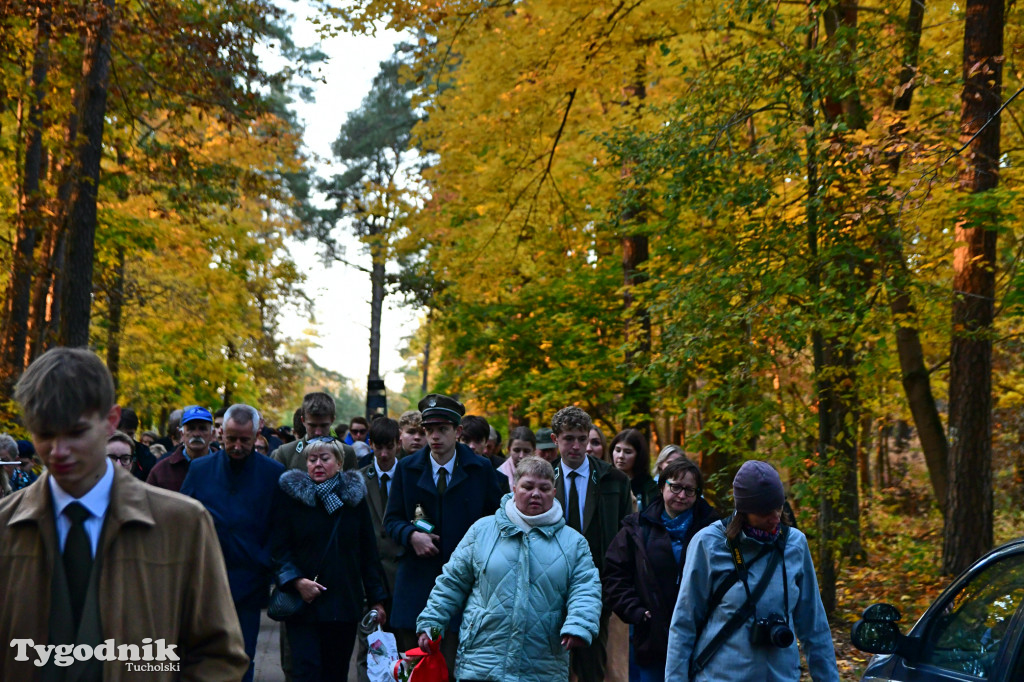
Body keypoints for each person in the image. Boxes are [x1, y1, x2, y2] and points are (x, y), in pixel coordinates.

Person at [0, 347, 247, 680]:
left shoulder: (182, 524)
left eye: (75, 432)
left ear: (111, 421)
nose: (58, 451)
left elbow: (219, 655)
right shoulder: (5, 527)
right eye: (44, 434)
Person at [416, 456, 602, 682]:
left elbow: (586, 590)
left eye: (544, 488)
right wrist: (432, 626)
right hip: (481, 662)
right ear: (514, 488)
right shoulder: (482, 530)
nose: (536, 494)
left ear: (554, 492)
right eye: (528, 486)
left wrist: (579, 625)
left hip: (542, 667)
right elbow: (451, 583)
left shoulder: (573, 543)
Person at [665, 460, 838, 681]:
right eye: (765, 511)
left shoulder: (795, 544)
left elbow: (815, 627)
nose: (775, 517)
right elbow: (684, 624)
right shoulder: (708, 544)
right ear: (744, 511)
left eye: (779, 506)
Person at [384, 393, 503, 678]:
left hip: (465, 585)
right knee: (414, 670)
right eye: (429, 430)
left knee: (453, 666)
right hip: (417, 582)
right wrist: (412, 535)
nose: (434, 437)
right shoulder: (407, 468)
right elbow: (392, 520)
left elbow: (497, 521)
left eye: (442, 430)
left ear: (458, 432)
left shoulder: (480, 469)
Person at [181, 403, 286, 682]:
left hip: (249, 582)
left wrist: (264, 562)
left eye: (245, 440)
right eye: (231, 439)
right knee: (205, 656)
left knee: (243, 657)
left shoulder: (273, 474)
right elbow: (185, 520)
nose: (237, 446)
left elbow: (280, 527)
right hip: (205, 581)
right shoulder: (200, 470)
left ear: (257, 434)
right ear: (220, 434)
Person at [272, 436, 388, 682]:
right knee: (306, 672)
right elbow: (279, 549)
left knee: (335, 673)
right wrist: (296, 581)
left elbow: (368, 553)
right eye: (312, 459)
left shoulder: (353, 502)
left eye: (324, 459)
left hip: (343, 605)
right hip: (304, 605)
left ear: (339, 463)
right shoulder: (292, 500)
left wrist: (377, 600)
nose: (317, 464)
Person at [604, 458, 719, 682]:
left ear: (697, 494)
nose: (681, 495)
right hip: (652, 638)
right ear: (662, 486)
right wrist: (636, 611)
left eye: (689, 490)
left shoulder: (713, 530)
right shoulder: (637, 528)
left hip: (702, 638)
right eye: (675, 487)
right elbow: (614, 574)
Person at [551, 405, 632, 682]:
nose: (576, 446)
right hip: (551, 583)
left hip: (598, 584)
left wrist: (617, 582)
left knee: (592, 662)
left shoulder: (613, 480)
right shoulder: (544, 478)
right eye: (568, 438)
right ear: (555, 439)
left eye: (582, 439)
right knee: (553, 661)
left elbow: (626, 535)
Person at [357, 418, 404, 682]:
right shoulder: (360, 481)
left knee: (402, 649)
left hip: (403, 575)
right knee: (370, 649)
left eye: (389, 447)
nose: (384, 455)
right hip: (370, 575)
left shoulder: (410, 477)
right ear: (370, 445)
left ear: (398, 443)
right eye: (378, 448)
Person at [273, 392, 357, 472]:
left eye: (323, 425)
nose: (318, 432)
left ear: (332, 420)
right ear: (303, 421)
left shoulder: (347, 453)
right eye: (312, 425)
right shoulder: (286, 453)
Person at [146, 405, 216, 492]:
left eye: (202, 428)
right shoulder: (162, 470)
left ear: (212, 434)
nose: (196, 434)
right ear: (181, 434)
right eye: (191, 429)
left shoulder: (224, 467)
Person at [611, 428, 659, 510]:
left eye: (628, 452)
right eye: (618, 450)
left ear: (639, 455)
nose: (621, 456)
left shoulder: (649, 487)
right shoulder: (605, 480)